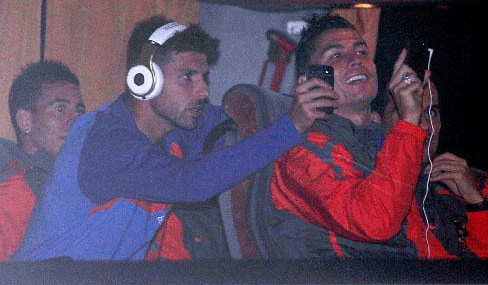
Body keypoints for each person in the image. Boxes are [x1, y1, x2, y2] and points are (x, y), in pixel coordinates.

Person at [16, 16, 324, 261]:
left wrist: (313, 110)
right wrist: (289, 128)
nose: (203, 91)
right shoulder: (104, 142)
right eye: (187, 77)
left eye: (204, 78)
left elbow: (244, 121)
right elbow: (194, 182)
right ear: (144, 80)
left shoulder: (176, 125)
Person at [254, 13, 428, 258]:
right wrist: (409, 121)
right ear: (309, 81)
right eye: (336, 56)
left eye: (361, 52)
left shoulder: (388, 141)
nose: (355, 61)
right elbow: (376, 222)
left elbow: (423, 241)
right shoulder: (299, 153)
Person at [382, 80, 488, 258]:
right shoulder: (366, 187)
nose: (425, 125)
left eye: (431, 112)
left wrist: (477, 204)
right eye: (408, 110)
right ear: (376, 119)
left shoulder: (479, 183)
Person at [0, 61, 85, 261]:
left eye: (80, 112)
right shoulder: (11, 188)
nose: (76, 121)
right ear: (26, 121)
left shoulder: (86, 179)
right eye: (60, 109)